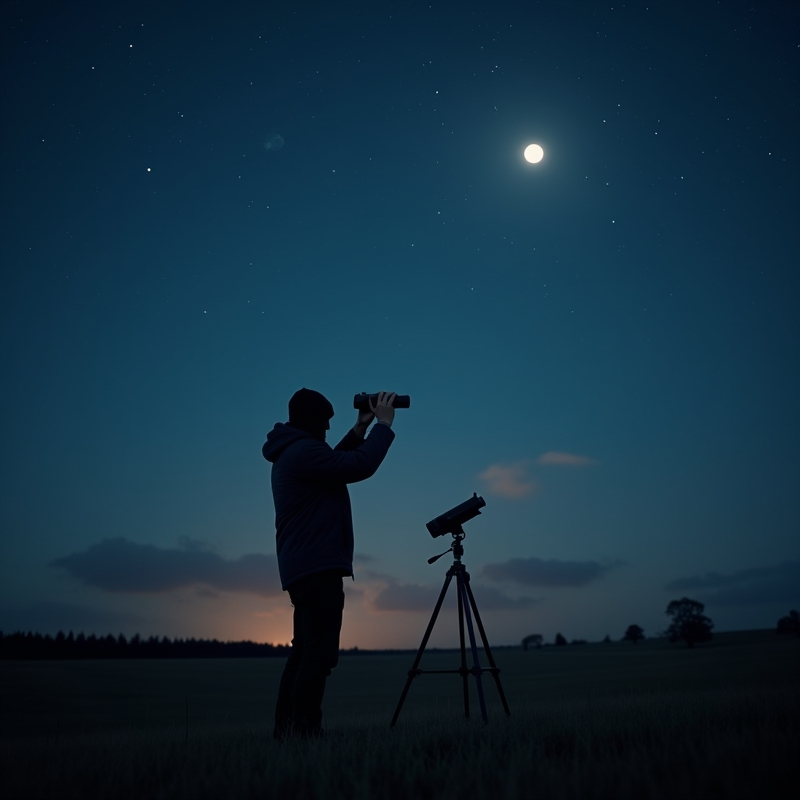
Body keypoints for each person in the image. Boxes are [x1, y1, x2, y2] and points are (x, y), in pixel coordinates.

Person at [262, 388, 397, 739]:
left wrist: (359, 429)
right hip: (317, 566)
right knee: (318, 656)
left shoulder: (293, 451)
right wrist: (383, 425)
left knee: (304, 652)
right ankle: (305, 733)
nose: (326, 426)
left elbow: (331, 464)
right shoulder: (304, 451)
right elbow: (358, 466)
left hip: (304, 566)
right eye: (323, 420)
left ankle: (287, 732)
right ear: (310, 420)